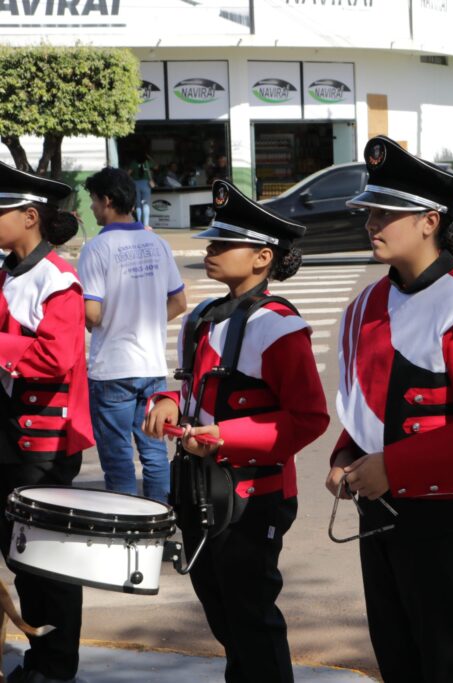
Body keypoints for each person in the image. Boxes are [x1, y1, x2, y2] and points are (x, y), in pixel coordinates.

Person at [327, 135, 453, 682]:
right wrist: (345, 455)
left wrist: (393, 466)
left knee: (445, 664)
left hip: (449, 518)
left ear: (429, 221)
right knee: (396, 658)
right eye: (370, 209)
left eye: (388, 211)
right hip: (381, 513)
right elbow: (364, 404)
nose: (372, 221)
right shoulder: (368, 302)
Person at [143, 180, 329, 683]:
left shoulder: (278, 325)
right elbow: (191, 391)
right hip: (200, 490)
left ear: (263, 257)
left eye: (224, 244)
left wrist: (223, 437)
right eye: (211, 241)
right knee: (221, 610)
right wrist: (165, 401)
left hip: (253, 493)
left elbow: (309, 418)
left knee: (251, 616)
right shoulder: (201, 317)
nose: (210, 250)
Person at [0, 161, 94, 683]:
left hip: (42, 441)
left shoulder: (57, 278)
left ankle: (55, 667)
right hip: (8, 435)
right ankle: (37, 658)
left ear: (29, 215)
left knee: (47, 562)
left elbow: (56, 356)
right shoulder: (7, 270)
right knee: (17, 557)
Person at [78, 167, 187, 502]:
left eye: (95, 201)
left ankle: (126, 531)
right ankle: (160, 525)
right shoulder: (157, 243)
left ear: (107, 201)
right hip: (152, 368)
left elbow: (93, 315)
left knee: (118, 460)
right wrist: (149, 321)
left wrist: (95, 319)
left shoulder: (96, 249)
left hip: (112, 369)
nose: (94, 209)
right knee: (155, 455)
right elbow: (179, 302)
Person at [127, 152, 154, 227]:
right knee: (146, 204)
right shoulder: (147, 162)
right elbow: (157, 167)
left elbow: (128, 173)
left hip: (135, 184)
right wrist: (150, 158)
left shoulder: (134, 163)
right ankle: (146, 224)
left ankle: (139, 222)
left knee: (138, 204)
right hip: (146, 184)